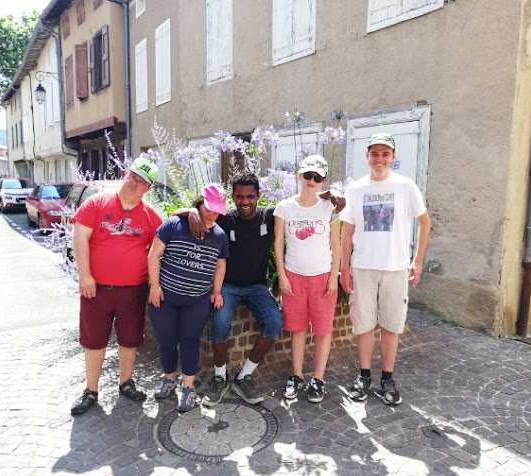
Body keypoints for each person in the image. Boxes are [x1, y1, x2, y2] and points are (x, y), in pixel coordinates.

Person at [179, 172, 345, 407]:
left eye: (250, 196)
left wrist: (333, 192)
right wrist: (193, 212)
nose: (244, 201)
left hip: (257, 286)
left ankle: (244, 376)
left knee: (275, 323)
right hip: (228, 286)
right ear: (233, 197)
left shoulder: (271, 215)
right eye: (239, 197)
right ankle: (219, 377)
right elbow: (183, 214)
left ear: (258, 195)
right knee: (220, 322)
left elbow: (304, 199)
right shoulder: (225, 218)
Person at [340, 133, 430, 406]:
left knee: (391, 326)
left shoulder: (405, 186)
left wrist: (417, 261)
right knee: (364, 326)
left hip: (395, 268)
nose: (379, 159)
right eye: (375, 154)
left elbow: (424, 222)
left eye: (385, 154)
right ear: (367, 156)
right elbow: (347, 232)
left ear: (393, 157)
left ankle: (387, 379)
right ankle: (364, 376)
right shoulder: (356, 189)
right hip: (363, 268)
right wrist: (344, 268)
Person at [70, 156, 162, 415]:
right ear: (125, 174)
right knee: (94, 340)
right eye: (132, 176)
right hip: (96, 288)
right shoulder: (96, 203)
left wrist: (188, 214)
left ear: (148, 188)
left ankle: (126, 382)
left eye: (141, 181)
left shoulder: (151, 216)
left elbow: (164, 243)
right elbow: (80, 237)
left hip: (133, 290)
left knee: (130, 339)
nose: (134, 182)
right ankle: (91, 390)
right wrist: (85, 275)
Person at [147, 184, 229, 412]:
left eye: (217, 210)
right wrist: (155, 286)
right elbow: (154, 254)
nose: (211, 214)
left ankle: (188, 387)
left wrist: (216, 291)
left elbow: (220, 265)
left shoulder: (220, 236)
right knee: (166, 341)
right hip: (165, 298)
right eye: (208, 208)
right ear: (200, 203)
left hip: (197, 301)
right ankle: (169, 379)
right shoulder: (175, 225)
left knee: (190, 342)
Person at [274, 155, 340, 403]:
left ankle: (318, 379)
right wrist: (282, 276)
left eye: (318, 177)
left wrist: (333, 277)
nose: (312, 181)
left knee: (322, 331)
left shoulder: (330, 207)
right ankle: (297, 375)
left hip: (322, 276)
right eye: (308, 175)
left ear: (324, 181)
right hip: (294, 276)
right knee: (297, 329)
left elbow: (336, 244)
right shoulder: (285, 207)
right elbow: (278, 243)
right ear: (299, 175)